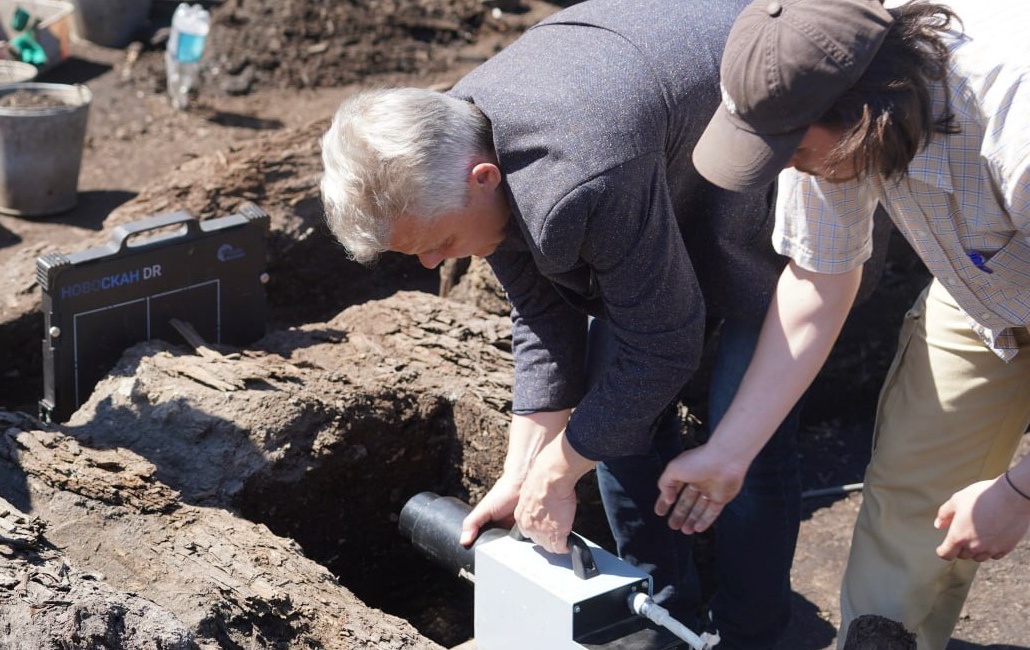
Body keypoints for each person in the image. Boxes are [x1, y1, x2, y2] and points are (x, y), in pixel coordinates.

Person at [319, 1, 812, 646]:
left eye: (438, 242)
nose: (432, 263)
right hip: (653, 158)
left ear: (484, 178)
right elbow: (540, 312)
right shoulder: (454, 139)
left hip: (774, 161)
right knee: (616, 419)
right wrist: (522, 470)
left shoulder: (577, 176)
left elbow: (664, 345)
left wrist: (559, 468)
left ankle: (752, 633)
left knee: (743, 431)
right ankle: (662, 616)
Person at [664, 0, 1030, 648]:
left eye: (792, 149)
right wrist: (729, 451)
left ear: (865, 116)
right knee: (914, 495)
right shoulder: (823, 98)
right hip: (988, 282)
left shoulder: (1013, 114)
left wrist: (1018, 493)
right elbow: (818, 281)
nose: (783, 165)